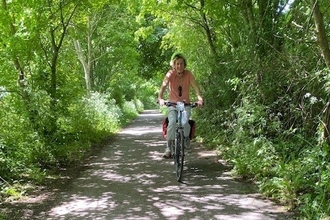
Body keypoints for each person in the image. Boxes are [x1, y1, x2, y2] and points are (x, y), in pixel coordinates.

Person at [157, 53, 204, 158]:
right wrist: (160, 98)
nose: (179, 66)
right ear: (174, 65)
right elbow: (164, 85)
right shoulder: (170, 74)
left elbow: (195, 86)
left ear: (184, 65)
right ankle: (169, 147)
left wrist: (199, 98)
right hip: (172, 105)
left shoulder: (188, 74)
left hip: (185, 104)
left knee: (184, 122)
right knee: (172, 122)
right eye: (177, 64)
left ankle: (186, 138)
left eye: (181, 64)